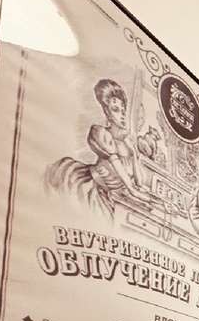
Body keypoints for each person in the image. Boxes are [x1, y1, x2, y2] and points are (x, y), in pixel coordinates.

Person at [46, 78, 158, 217]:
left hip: (117, 193)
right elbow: (132, 189)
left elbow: (138, 183)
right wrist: (146, 198)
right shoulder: (102, 134)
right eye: (115, 110)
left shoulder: (127, 142)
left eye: (123, 111)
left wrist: (134, 154)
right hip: (95, 189)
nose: (122, 116)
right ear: (107, 112)